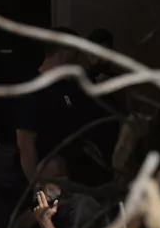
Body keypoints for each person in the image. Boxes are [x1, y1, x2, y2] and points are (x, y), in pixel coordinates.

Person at [15, 28, 115, 188]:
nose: (78, 60)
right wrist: (36, 187)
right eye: (75, 54)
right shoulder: (33, 89)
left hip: (74, 180)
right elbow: (25, 144)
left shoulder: (66, 87)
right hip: (50, 182)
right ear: (63, 53)